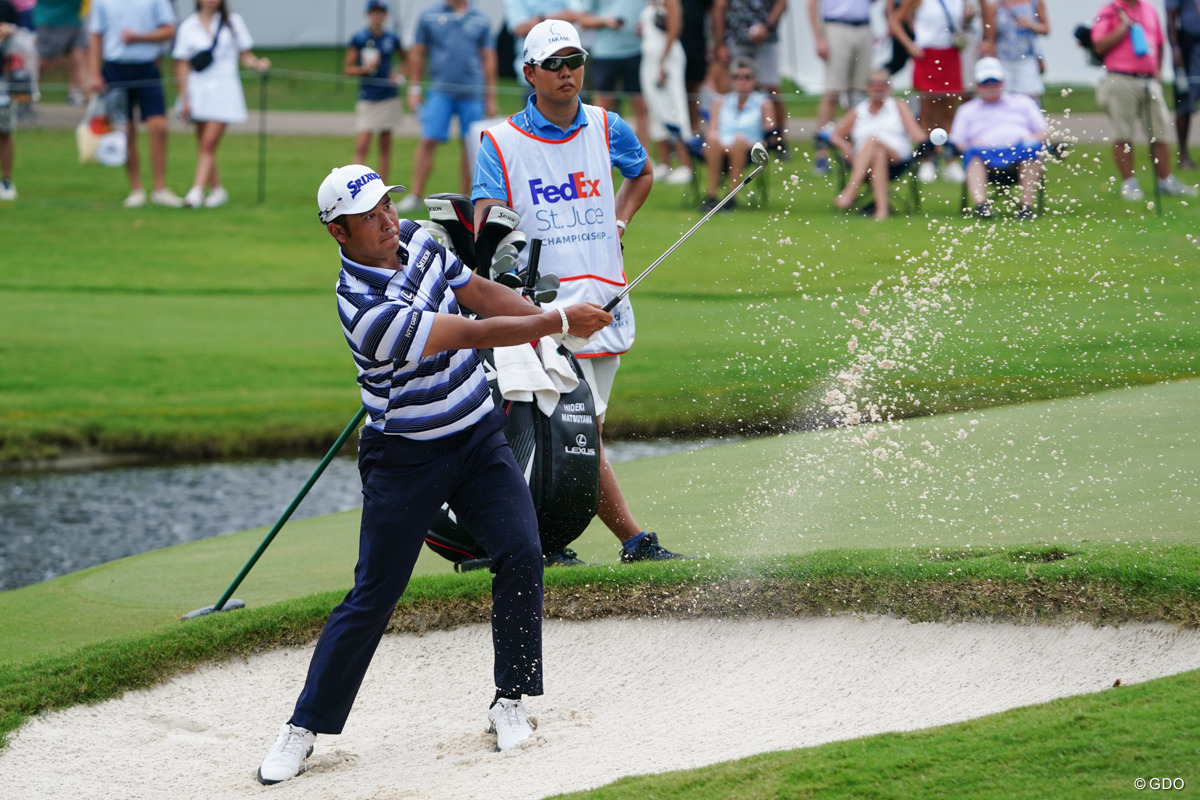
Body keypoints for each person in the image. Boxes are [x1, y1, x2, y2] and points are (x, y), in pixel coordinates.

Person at [255, 163, 614, 785]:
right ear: (340, 233)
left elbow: (478, 294)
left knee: (523, 551)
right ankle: (304, 726)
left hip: (477, 436)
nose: (389, 220)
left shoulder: (418, 238)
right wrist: (555, 323)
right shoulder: (363, 308)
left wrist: (542, 313)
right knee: (375, 594)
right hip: (406, 459)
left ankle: (510, 700)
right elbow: (470, 332)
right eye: (371, 217)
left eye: (388, 206)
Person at [473, 20, 689, 564]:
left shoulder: (606, 124)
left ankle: (541, 542)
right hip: (542, 315)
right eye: (554, 64)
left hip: (606, 301)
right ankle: (628, 541)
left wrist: (619, 221)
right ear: (529, 73)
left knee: (572, 436)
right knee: (574, 433)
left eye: (574, 61)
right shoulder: (499, 141)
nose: (567, 72)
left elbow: (640, 174)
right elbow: (488, 228)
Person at [1092, 0, 1198, 201]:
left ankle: (1165, 180)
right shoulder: (1110, 10)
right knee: (1123, 133)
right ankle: (1129, 183)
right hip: (1120, 78)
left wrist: (1157, 70)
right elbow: (1098, 45)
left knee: (1160, 132)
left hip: (1148, 79)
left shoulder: (1148, 9)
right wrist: (1123, 27)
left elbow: (1158, 42)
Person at [400, 0, 498, 211]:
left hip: (472, 91)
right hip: (439, 90)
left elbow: (488, 57)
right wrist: (414, 88)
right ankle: (415, 194)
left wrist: (490, 96)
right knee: (428, 139)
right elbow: (418, 52)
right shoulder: (429, 15)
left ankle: (465, 198)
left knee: (472, 146)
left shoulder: (480, 19)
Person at [172, 0, 270, 209]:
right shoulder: (188, 26)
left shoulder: (232, 22)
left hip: (225, 89)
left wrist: (256, 64)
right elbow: (182, 64)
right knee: (204, 145)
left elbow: (245, 54)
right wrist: (184, 97)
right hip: (197, 90)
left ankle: (196, 192)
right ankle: (217, 189)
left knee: (208, 143)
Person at [87, 0, 184, 208]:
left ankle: (160, 188)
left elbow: (169, 30)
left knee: (159, 126)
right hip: (115, 70)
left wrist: (140, 37)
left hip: (147, 68)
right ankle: (136, 189)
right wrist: (95, 73)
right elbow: (96, 36)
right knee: (126, 130)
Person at [947, 56, 1046, 217]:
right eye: (985, 83)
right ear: (978, 85)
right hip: (985, 155)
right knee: (972, 153)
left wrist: (1030, 138)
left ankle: (1026, 206)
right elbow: (957, 142)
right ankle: (981, 206)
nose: (990, 86)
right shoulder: (966, 109)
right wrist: (971, 143)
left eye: (994, 81)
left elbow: (1043, 132)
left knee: (1033, 150)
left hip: (1019, 151)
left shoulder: (1023, 102)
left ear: (1002, 82)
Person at [890, 0, 973, 184]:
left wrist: (968, 19)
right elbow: (895, 21)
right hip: (927, 54)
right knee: (928, 111)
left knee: (949, 111)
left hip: (951, 53)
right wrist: (909, 45)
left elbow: (960, 25)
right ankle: (928, 158)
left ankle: (950, 159)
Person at [829, 68, 928, 219]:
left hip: (897, 155)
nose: (878, 88)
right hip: (863, 159)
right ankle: (882, 210)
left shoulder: (898, 105)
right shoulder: (859, 110)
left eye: (883, 84)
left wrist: (928, 143)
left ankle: (851, 190)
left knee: (873, 140)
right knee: (878, 154)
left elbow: (915, 132)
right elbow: (836, 135)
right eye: (874, 84)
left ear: (889, 88)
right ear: (867, 87)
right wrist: (846, 147)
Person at [807, 0, 878, 175]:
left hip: (863, 26)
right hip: (836, 27)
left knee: (859, 95)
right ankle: (821, 154)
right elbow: (811, 4)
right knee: (833, 92)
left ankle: (855, 150)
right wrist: (819, 37)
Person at [712, 0, 789, 159]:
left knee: (772, 89)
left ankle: (777, 141)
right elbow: (720, 7)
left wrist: (767, 27)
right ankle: (727, 138)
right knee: (734, 89)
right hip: (736, 37)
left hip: (767, 39)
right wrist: (720, 43)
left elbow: (782, 3)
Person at [570, 0, 650, 147]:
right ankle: (597, 153)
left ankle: (643, 158)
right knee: (601, 108)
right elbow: (582, 20)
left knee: (641, 106)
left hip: (636, 52)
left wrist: (647, 25)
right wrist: (606, 22)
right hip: (605, 53)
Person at [702, 56, 773, 211]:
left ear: (754, 80)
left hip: (748, 146)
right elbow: (712, 130)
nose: (742, 81)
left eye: (747, 77)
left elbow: (771, 134)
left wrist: (761, 144)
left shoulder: (763, 103)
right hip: (720, 146)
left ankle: (731, 196)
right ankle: (711, 195)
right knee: (713, 138)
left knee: (739, 139)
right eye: (737, 77)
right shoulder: (720, 102)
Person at [345, 0, 404, 183]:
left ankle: (382, 188)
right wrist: (364, 69)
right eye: (374, 12)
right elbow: (348, 68)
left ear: (385, 15)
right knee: (363, 144)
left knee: (385, 144)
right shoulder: (360, 38)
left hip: (388, 94)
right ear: (368, 15)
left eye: (381, 12)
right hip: (368, 95)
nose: (377, 16)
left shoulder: (391, 38)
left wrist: (399, 74)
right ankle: (356, 184)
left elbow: (406, 58)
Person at [640, 0, 695, 183]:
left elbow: (674, 29)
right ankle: (665, 163)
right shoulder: (650, 3)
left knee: (674, 108)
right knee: (657, 109)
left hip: (666, 59)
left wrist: (662, 62)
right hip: (649, 58)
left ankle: (686, 165)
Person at [979, 0, 1049, 104]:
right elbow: (991, 38)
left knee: (1030, 98)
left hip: (1027, 58)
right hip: (1004, 59)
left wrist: (1031, 25)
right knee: (1004, 99)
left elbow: (1046, 29)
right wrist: (993, 62)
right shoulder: (997, 5)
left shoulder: (1035, 2)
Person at [503, 0, 576, 95]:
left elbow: (576, 15)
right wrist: (559, 18)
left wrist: (539, 19)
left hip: (570, 68)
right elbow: (520, 28)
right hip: (535, 72)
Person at [34, 0, 89, 105]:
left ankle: (77, 94)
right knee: (42, 63)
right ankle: (29, 94)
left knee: (79, 58)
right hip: (51, 21)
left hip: (75, 21)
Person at [1166, 0, 1200, 168]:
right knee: (1184, 103)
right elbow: (1170, 15)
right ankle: (1183, 154)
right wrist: (1175, 48)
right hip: (1188, 48)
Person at [0, 0, 17, 201]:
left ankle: (5, 181)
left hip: (4, 80)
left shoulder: (6, 6)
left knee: (4, 131)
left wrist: (10, 31)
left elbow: (26, 35)